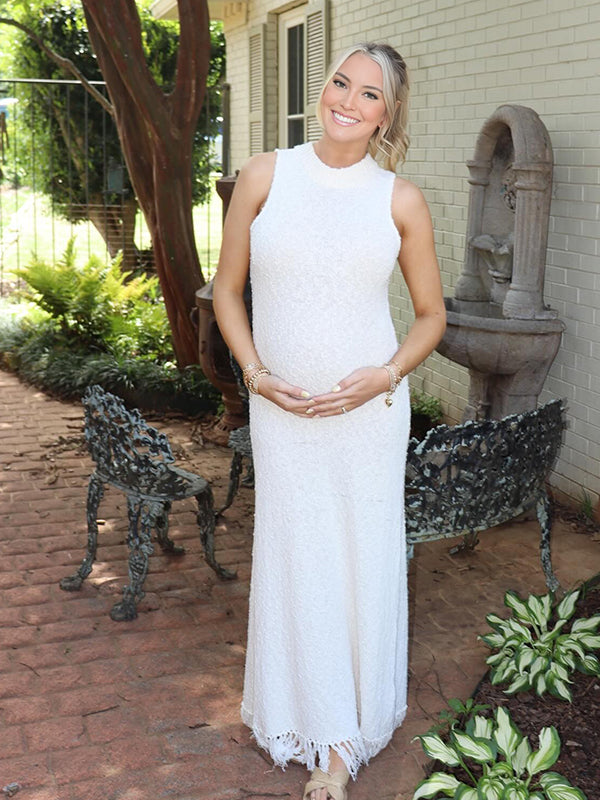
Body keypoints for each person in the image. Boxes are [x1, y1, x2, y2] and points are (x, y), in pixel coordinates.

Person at [213, 41, 446, 800]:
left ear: (388, 115)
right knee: (297, 552)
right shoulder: (264, 175)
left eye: (369, 94)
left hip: (367, 416)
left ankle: (340, 744)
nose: (348, 101)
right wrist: (257, 377)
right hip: (281, 411)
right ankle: (296, 707)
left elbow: (431, 315)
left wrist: (387, 374)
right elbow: (227, 290)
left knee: (358, 558)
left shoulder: (400, 200)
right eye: (341, 83)